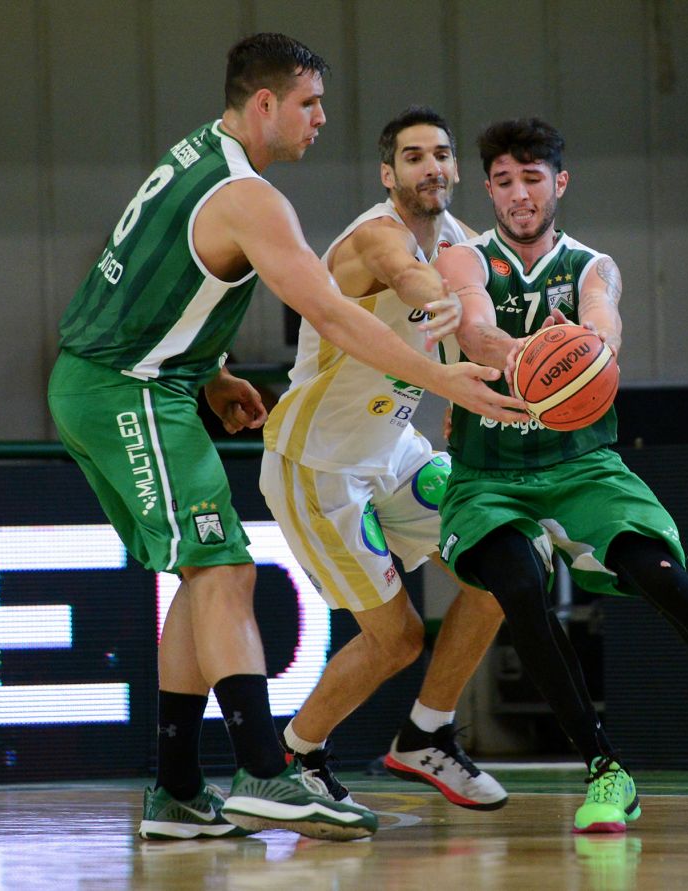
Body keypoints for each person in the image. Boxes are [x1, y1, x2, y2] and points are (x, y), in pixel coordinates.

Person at [47, 34, 525, 843]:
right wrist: (442, 379)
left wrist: (211, 371)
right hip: (126, 387)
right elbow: (332, 313)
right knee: (226, 568)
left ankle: (177, 789)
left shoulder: (200, 155)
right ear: (265, 103)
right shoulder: (252, 198)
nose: (322, 118)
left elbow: (158, 272)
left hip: (142, 381)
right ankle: (268, 771)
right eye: (310, 103)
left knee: (204, 571)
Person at [433, 117, 688, 834]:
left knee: (661, 574)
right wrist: (530, 358)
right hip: (488, 472)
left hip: (582, 463)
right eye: (503, 181)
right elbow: (473, 327)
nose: (519, 194)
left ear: (560, 183)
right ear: (489, 190)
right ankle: (604, 770)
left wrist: (589, 348)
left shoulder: (592, 266)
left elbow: (605, 326)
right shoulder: (463, 259)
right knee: (520, 587)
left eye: (532, 178)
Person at [259, 106, 507, 811]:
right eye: (413, 156)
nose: (431, 167)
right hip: (320, 462)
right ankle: (295, 754)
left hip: (393, 449)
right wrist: (448, 308)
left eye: (441, 154)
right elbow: (409, 278)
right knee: (396, 639)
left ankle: (426, 733)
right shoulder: (375, 236)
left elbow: (481, 307)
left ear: (456, 169)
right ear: (387, 174)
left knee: (506, 560)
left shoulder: (462, 241)